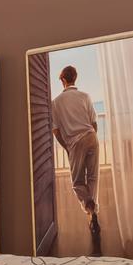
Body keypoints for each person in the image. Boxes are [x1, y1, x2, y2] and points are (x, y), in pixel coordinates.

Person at [50, 64, 102, 251]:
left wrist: (68, 147)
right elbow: (94, 123)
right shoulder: (85, 96)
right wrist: (92, 138)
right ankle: (92, 211)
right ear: (75, 78)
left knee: (77, 182)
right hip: (91, 137)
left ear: (63, 80)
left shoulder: (56, 103)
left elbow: (56, 130)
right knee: (93, 177)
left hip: (76, 143)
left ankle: (89, 209)